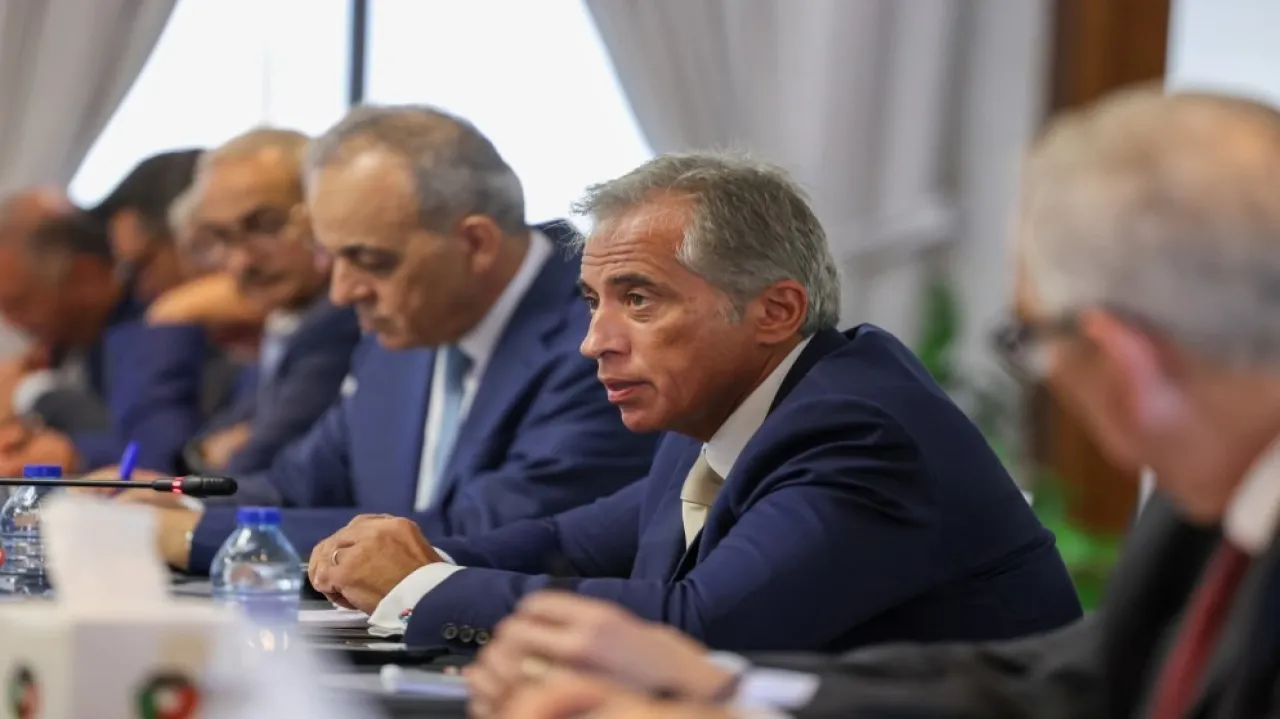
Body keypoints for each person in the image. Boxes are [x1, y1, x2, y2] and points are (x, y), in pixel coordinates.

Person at [490, 86, 1280, 719]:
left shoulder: (857, 421)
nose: (595, 342)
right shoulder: (1209, 503)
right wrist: (731, 691)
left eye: (1030, 339)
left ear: (1122, 357)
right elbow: (1065, 679)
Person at [307, 151, 1081, 658]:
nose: (594, 342)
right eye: (593, 301)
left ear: (775, 311)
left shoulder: (860, 431)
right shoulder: (721, 411)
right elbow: (567, 543)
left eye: (639, 299)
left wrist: (421, 586)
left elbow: (703, 625)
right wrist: (407, 559)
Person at [139, 106, 658, 576]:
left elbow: (484, 531)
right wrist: (172, 506)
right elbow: (296, 485)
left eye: (370, 261)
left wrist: (195, 536)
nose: (342, 292)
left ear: (475, 243)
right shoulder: (407, 328)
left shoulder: (600, 337)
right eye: (331, 257)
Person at [115, 128, 361, 477]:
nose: (242, 261)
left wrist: (168, 316)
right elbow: (188, 451)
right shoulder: (285, 326)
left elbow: (250, 469)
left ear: (322, 211)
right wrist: (205, 454)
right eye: (222, 237)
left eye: (266, 226)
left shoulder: (339, 325)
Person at [0, 192, 203, 474]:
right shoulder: (69, 348)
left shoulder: (150, 332)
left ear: (84, 276)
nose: (12, 323)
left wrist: (34, 392)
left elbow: (158, 462)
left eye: (20, 303)